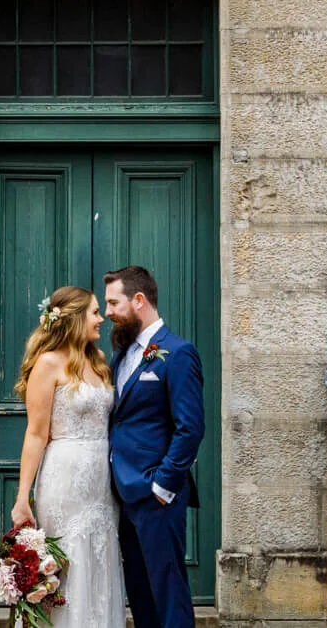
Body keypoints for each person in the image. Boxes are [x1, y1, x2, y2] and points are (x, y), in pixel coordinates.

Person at [12, 285, 126, 627]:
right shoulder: (48, 364)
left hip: (101, 484)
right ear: (75, 318)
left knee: (100, 559)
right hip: (65, 480)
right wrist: (22, 497)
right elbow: (35, 433)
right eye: (94, 312)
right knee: (69, 564)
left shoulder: (99, 362)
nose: (101, 318)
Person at [103, 266, 204, 628]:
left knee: (168, 592)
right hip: (123, 493)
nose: (108, 312)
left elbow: (190, 427)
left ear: (139, 300)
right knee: (141, 594)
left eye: (114, 303)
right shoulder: (122, 354)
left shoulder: (178, 353)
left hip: (155, 494)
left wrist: (162, 485)